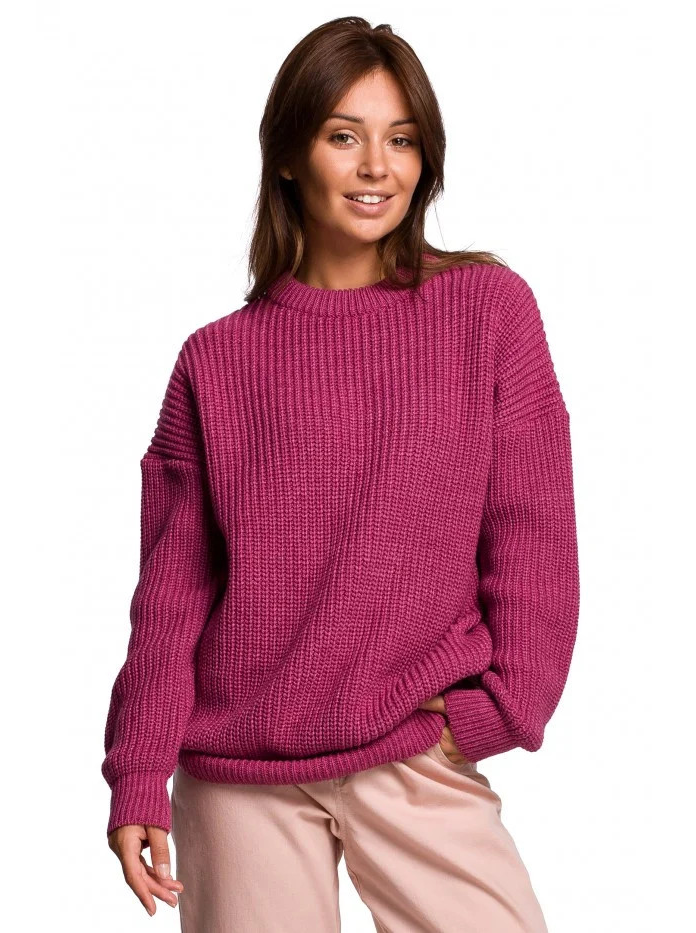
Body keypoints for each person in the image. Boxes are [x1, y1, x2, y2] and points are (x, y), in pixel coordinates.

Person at [102, 16, 580, 932]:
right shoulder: (216, 361)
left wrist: (506, 705)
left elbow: (532, 529)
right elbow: (171, 592)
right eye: (344, 136)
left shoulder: (488, 312)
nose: (377, 167)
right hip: (240, 774)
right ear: (289, 156)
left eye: (401, 140)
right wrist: (136, 773)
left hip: (414, 744)